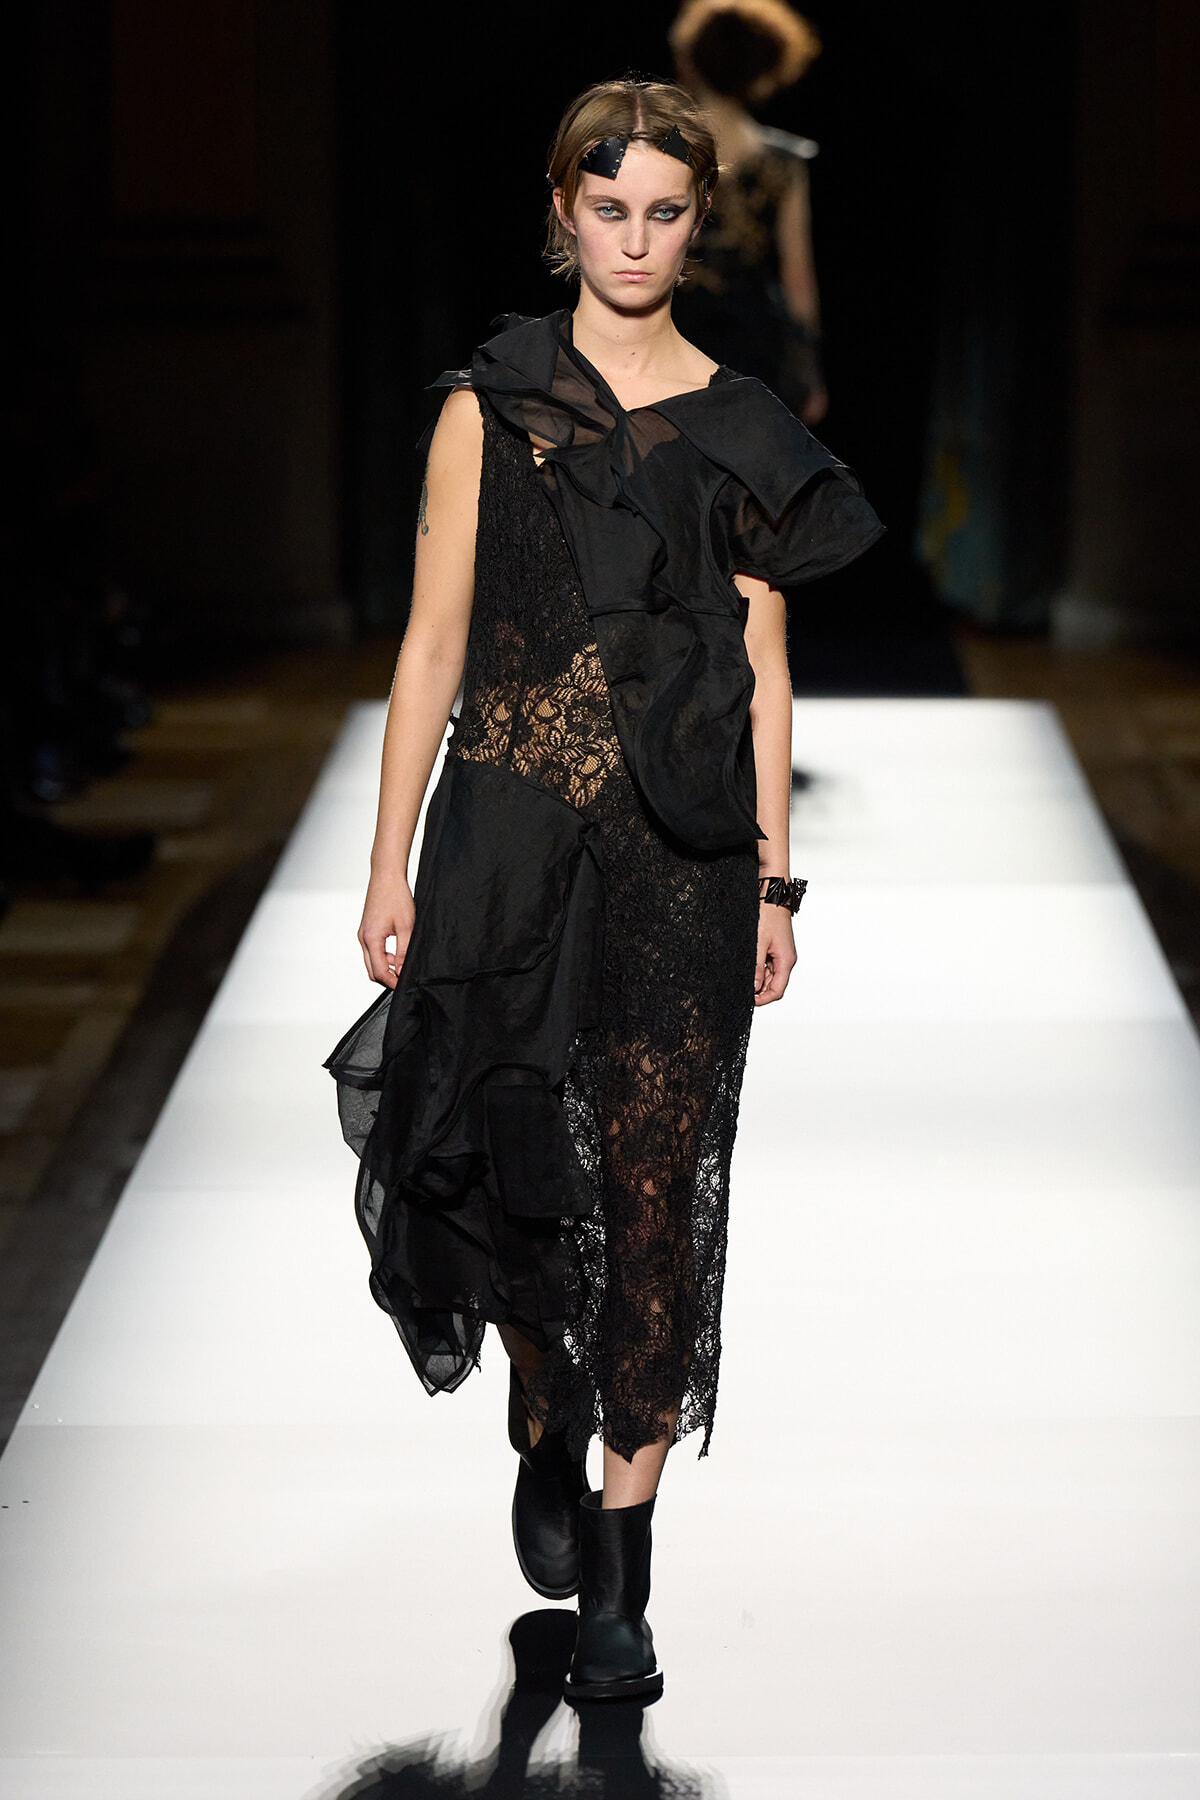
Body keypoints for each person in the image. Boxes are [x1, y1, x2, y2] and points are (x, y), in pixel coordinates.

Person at [325, 76, 882, 1704]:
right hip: (505, 842)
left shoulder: (740, 431)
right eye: (607, 205)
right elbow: (432, 644)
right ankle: (544, 1409)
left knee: (655, 1203)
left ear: (696, 227)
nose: (633, 238)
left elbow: (768, 671)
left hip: (681, 863)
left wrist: (779, 881)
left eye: (663, 211)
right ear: (561, 211)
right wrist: (385, 858)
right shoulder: (487, 409)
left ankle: (626, 1587)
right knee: (521, 1188)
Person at [669, 0, 827, 423]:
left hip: (675, 331)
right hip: (757, 342)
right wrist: (807, 372)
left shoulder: (667, 149)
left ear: (695, 60)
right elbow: (797, 273)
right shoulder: (784, 161)